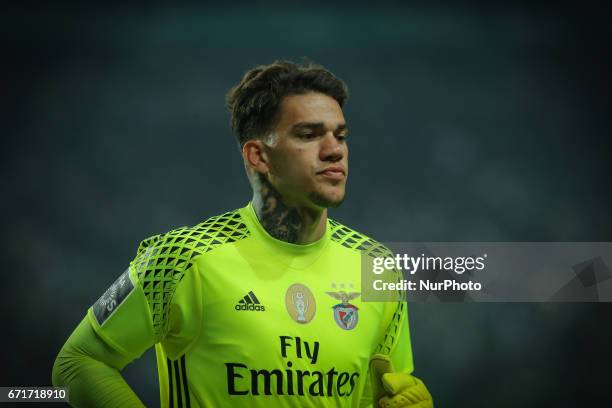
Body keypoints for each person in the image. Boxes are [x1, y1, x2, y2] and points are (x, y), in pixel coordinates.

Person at [52, 60, 433, 408]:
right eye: (309, 135)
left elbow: (385, 392)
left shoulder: (376, 266)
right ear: (258, 156)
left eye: (341, 135)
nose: (335, 151)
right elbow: (79, 362)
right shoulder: (183, 258)